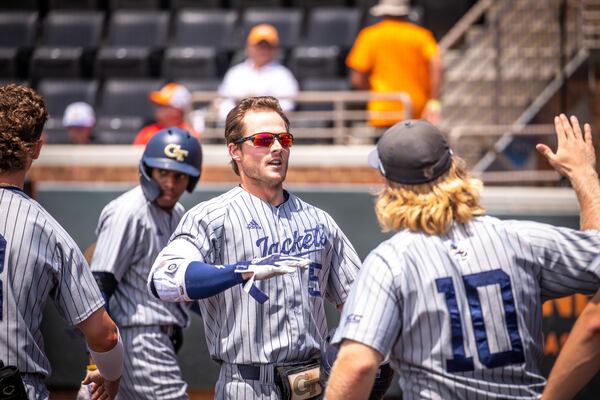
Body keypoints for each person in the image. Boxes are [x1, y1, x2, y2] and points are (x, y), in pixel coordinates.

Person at [324, 115, 600, 399]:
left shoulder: (390, 262)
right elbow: (595, 254)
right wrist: (582, 174)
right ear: (454, 169)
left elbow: (357, 366)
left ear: (389, 186)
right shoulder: (521, 239)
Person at [148, 96, 361, 399]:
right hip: (247, 385)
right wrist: (238, 272)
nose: (276, 147)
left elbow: (360, 300)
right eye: (262, 139)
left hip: (312, 383)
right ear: (235, 150)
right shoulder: (210, 218)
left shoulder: (319, 221)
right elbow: (163, 281)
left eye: (283, 139)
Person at [0, 84, 123, 399]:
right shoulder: (46, 228)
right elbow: (104, 335)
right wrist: (109, 376)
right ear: (37, 148)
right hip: (13, 386)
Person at [89, 127, 202, 399]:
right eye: (163, 173)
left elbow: (183, 291)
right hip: (135, 339)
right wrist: (96, 358)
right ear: (148, 170)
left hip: (157, 336)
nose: (171, 183)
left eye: (179, 175)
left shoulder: (178, 214)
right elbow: (98, 287)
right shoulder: (128, 211)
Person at [347, 0, 442, 129]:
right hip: (416, 111)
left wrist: (373, 92)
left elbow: (357, 79)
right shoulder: (421, 36)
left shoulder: (370, 36)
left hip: (383, 110)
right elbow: (436, 65)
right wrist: (434, 100)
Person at [217, 24, 299, 120]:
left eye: (268, 46)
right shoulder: (236, 73)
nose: (263, 50)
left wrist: (259, 115)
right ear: (248, 47)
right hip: (238, 126)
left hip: (269, 128)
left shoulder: (283, 75)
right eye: (259, 46)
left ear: (275, 49)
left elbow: (287, 106)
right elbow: (223, 102)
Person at [133, 83, 198, 146]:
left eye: (163, 106)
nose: (158, 109)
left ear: (177, 110)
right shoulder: (147, 133)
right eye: (158, 105)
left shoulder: (190, 135)